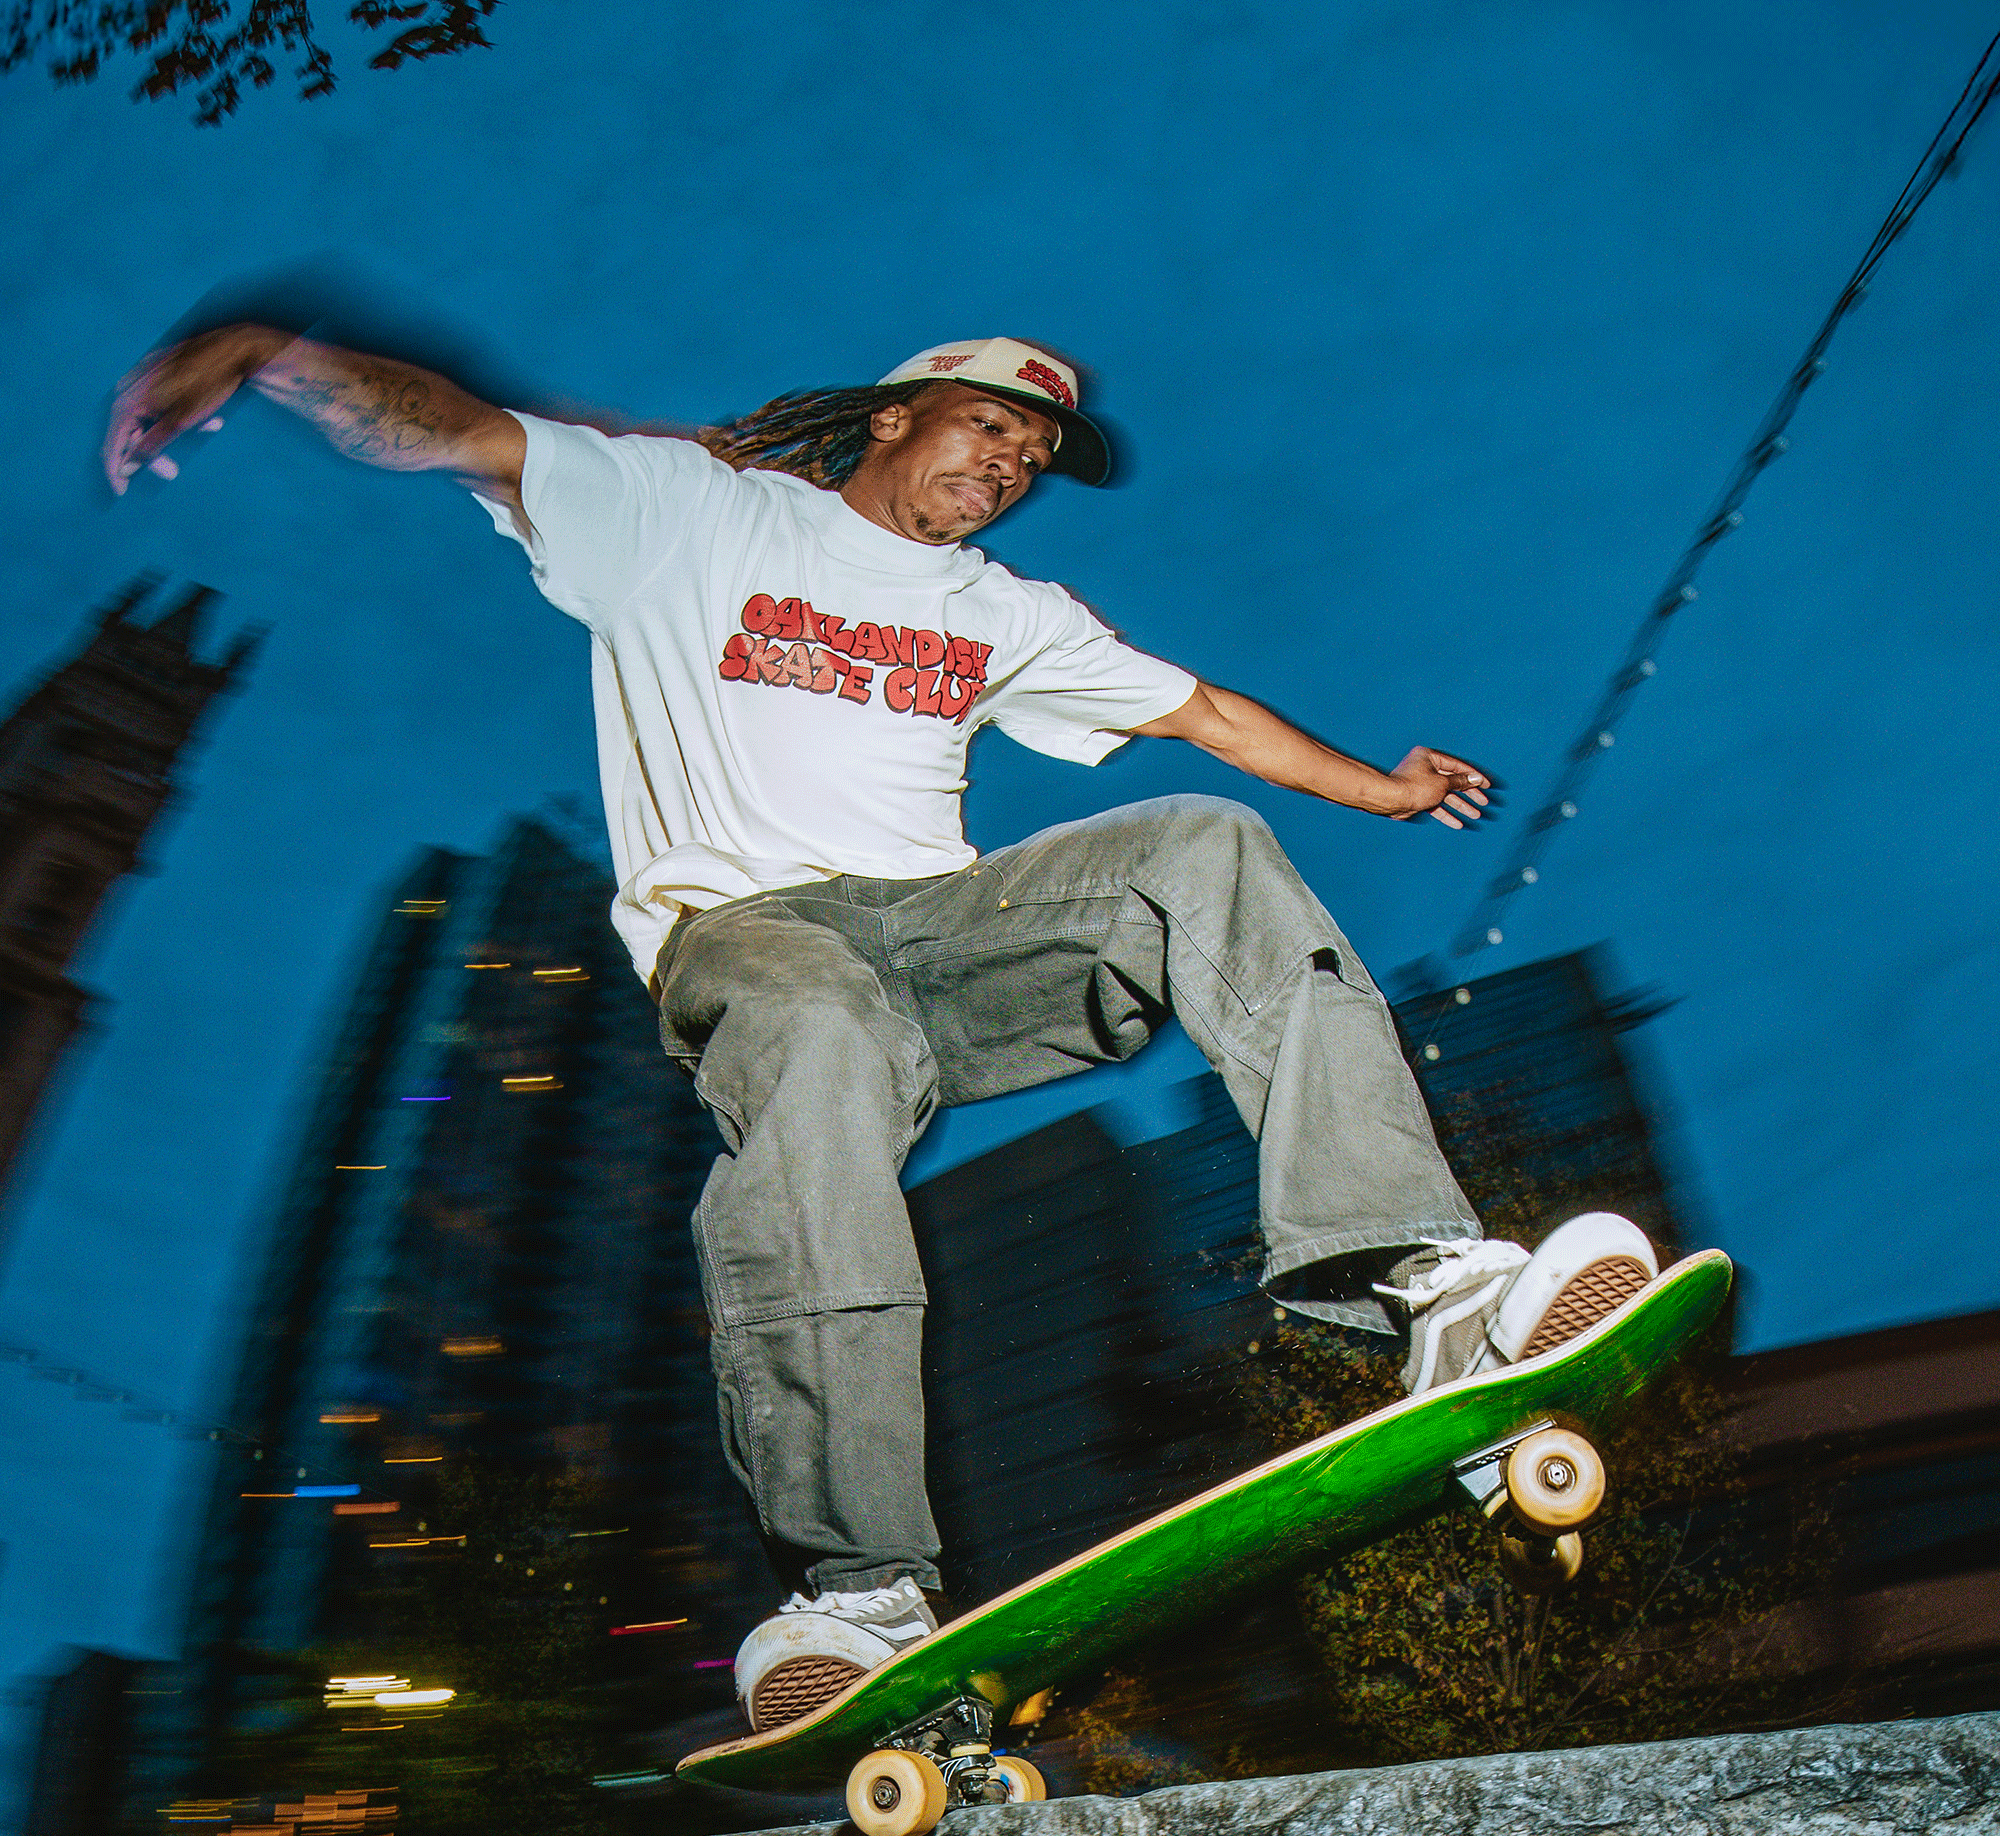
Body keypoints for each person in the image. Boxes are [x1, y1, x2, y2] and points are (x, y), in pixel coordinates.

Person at [105, 325, 1662, 1730]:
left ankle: (1418, 1276)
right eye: (988, 429)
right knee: (823, 1035)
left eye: (1036, 457)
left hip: (950, 941)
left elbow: (1209, 717)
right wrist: (269, 353)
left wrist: (1378, 786)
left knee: (1200, 838)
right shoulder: (691, 514)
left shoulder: (1011, 613)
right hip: (752, 935)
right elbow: (451, 424)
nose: (1009, 468)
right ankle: (857, 1587)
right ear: (899, 415)